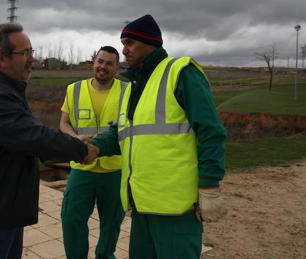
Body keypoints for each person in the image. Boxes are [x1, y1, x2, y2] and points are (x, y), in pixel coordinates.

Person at [0, 22, 99, 259]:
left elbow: (28, 132)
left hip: (1, 205)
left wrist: (73, 140)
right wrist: (79, 149)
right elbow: (34, 137)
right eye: (25, 53)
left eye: (32, 52)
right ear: (2, 59)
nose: (32, 59)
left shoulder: (5, 88)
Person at [92, 14, 228, 259]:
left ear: (151, 43)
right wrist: (93, 146)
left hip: (176, 210)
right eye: (123, 43)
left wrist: (209, 184)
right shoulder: (133, 86)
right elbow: (122, 133)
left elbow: (211, 131)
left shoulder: (180, 72)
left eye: (130, 43)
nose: (124, 50)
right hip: (142, 205)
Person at [59, 46, 127, 259]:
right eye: (100, 61)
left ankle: (105, 255)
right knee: (71, 218)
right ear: (93, 63)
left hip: (114, 168)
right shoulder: (74, 89)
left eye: (109, 63)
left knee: (112, 222)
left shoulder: (129, 91)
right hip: (82, 167)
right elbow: (64, 123)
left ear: (117, 68)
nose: (103, 66)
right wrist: (74, 137)